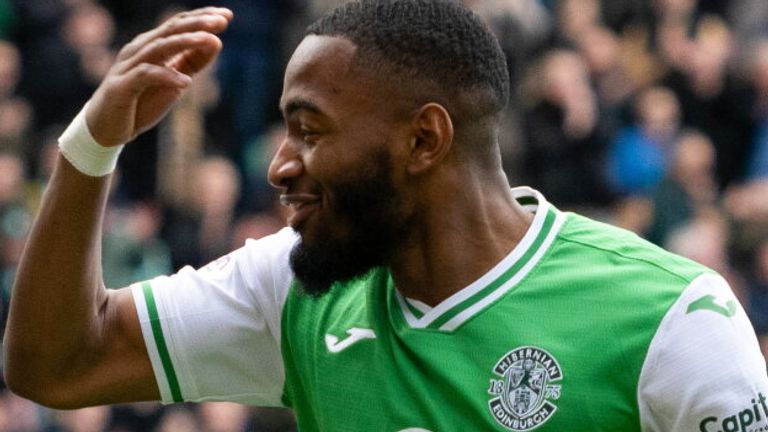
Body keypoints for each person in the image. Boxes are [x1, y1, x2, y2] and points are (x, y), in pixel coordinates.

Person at [4, 2, 767, 431]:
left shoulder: (672, 318)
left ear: (423, 140)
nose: (280, 165)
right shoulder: (293, 292)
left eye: (310, 129)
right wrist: (89, 147)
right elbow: (57, 362)